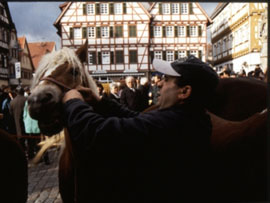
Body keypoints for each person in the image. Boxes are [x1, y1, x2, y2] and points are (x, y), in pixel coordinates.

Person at [61, 55, 219, 202]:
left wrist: (73, 102)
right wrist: (101, 103)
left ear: (184, 92)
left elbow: (98, 133)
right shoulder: (190, 117)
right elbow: (138, 119)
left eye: (167, 79)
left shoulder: (170, 123)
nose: (160, 83)